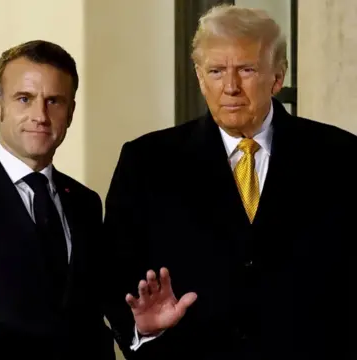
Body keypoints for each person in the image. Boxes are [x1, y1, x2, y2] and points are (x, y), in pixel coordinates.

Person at [0, 40, 196, 360]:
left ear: (70, 112)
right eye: (24, 99)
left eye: (54, 101)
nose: (40, 115)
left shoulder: (84, 202)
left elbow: (94, 304)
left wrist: (140, 327)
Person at [104, 4, 357, 359]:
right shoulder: (147, 162)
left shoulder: (342, 157)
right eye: (217, 71)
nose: (231, 87)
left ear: (278, 76)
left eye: (247, 70)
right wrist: (143, 333)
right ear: (199, 77)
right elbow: (116, 277)